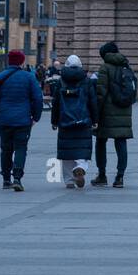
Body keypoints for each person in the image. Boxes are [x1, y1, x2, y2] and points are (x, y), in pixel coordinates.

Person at [0, 49, 43, 192]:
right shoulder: (29, 77)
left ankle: (6, 178)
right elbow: (38, 98)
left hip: (5, 119)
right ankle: (17, 178)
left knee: (5, 149)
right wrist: (36, 117)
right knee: (20, 148)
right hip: (23, 120)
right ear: (22, 61)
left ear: (9, 61)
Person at [93, 42, 137, 188]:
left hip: (106, 112)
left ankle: (102, 175)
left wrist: (95, 113)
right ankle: (120, 177)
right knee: (121, 142)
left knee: (100, 141)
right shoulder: (126, 66)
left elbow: (101, 93)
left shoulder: (105, 68)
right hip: (124, 110)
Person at [51, 54, 97, 189]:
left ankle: (69, 180)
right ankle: (80, 167)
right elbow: (93, 102)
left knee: (67, 151)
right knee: (82, 149)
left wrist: (54, 121)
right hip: (83, 120)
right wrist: (95, 119)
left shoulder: (61, 81)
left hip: (65, 121)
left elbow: (56, 103)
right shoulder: (87, 81)